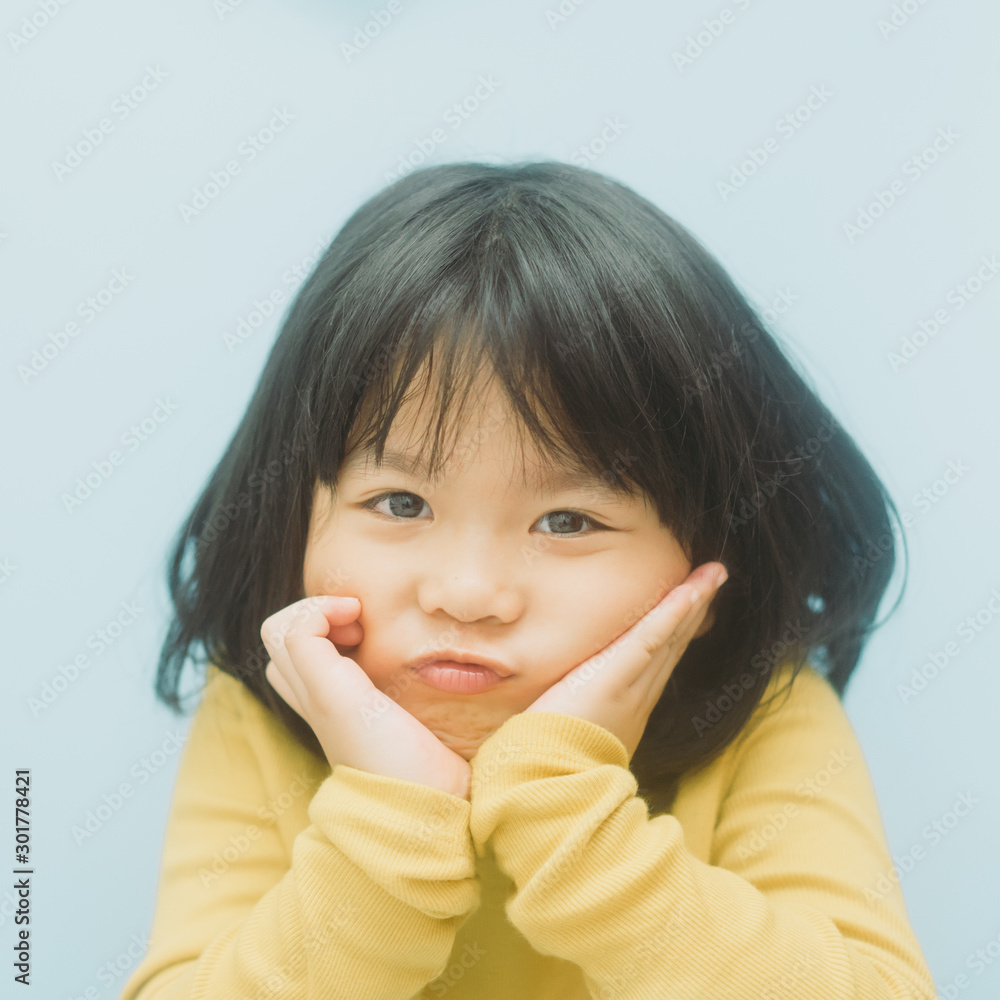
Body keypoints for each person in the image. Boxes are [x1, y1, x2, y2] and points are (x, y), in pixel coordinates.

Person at [119, 161, 936, 999]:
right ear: (291, 509)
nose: (468, 594)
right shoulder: (266, 709)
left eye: (568, 522)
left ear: (709, 558)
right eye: (400, 501)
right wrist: (388, 833)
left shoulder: (763, 717)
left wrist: (569, 817)